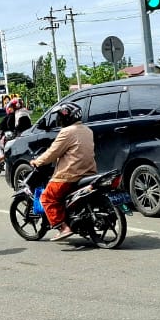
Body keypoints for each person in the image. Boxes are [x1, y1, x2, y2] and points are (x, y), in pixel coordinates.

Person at [29, 102, 96, 242]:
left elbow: (53, 153)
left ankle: (63, 228)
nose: (58, 120)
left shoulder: (67, 132)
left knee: (47, 197)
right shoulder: (87, 130)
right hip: (89, 173)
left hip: (69, 175)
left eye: (60, 117)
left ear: (66, 117)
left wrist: (37, 161)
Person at [0, 98, 33, 163]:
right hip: (27, 133)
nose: (10, 109)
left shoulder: (16, 114)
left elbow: (17, 126)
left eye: (11, 107)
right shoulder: (25, 112)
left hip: (19, 135)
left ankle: (3, 156)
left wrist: (14, 133)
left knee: (2, 145)